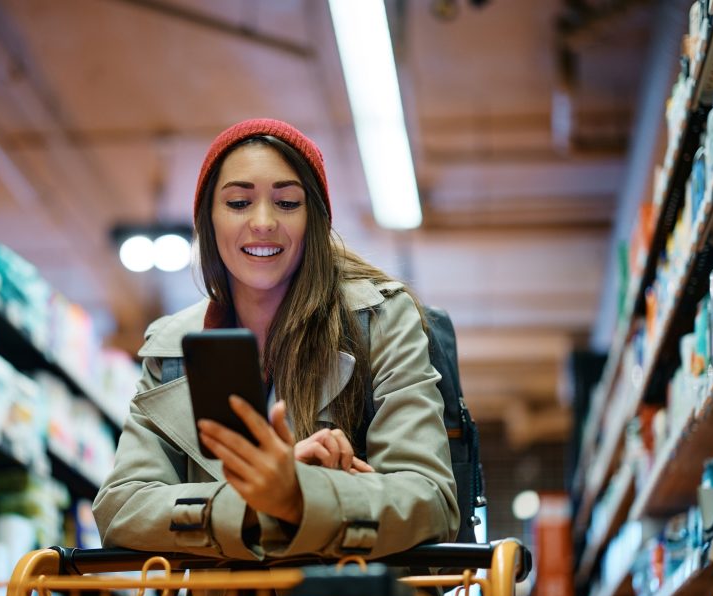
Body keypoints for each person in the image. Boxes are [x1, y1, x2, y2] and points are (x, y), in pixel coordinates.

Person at [93, 118, 460, 561]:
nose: (264, 221)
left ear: (315, 221)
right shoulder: (171, 348)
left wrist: (300, 495)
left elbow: (429, 499)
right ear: (208, 221)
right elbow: (119, 508)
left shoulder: (381, 320)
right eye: (238, 202)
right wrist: (259, 501)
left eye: (287, 202)